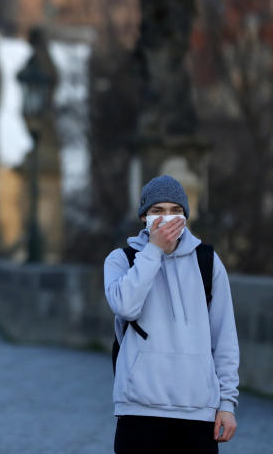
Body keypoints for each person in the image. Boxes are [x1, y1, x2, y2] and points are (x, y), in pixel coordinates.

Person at [104, 175, 239, 453]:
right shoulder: (122, 260)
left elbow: (224, 337)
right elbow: (125, 306)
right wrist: (153, 251)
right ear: (144, 216)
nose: (167, 218)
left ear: (186, 216)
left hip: (197, 411)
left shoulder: (207, 261)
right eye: (158, 211)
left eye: (175, 211)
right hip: (139, 408)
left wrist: (226, 404)